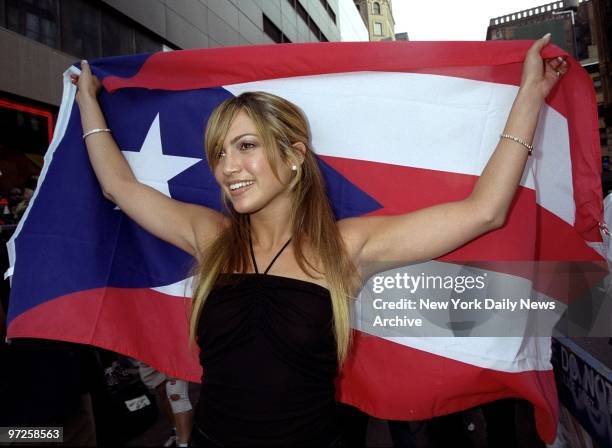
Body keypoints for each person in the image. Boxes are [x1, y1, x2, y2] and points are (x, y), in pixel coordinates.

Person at [70, 34, 568, 447]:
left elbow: (484, 211)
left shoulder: (346, 246)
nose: (227, 168)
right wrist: (88, 101)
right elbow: (121, 186)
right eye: (219, 152)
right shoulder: (211, 236)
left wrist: (528, 96)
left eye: (246, 146)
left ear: (294, 156)